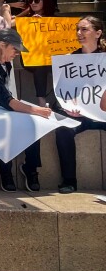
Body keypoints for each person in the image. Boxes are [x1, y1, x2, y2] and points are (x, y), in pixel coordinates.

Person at [0, 29, 50, 192]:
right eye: (15, 49)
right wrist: (37, 109)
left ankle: (31, 168)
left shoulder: (6, 64)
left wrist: (33, 112)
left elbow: (7, 99)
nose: (17, 53)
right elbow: (8, 102)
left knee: (33, 123)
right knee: (11, 124)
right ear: (2, 45)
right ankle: (5, 170)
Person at [52, 17, 106, 194]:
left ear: (98, 33)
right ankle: (69, 180)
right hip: (80, 116)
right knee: (63, 129)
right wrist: (67, 108)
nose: (79, 33)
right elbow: (61, 94)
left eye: (84, 29)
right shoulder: (70, 60)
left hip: (103, 114)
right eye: (77, 29)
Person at [16, 0, 56, 107]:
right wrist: (32, 22)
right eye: (30, 1)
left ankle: (65, 100)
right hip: (32, 59)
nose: (33, 3)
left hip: (52, 57)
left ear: (45, 2)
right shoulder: (26, 20)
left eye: (37, 0)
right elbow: (8, 24)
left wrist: (43, 21)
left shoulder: (56, 20)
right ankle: (41, 101)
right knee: (40, 65)